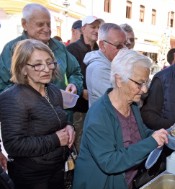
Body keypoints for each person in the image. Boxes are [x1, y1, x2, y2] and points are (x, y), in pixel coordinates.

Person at [69, 48, 168, 189]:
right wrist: (152, 141)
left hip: (126, 184)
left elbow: (140, 133)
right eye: (139, 83)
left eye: (146, 83)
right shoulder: (99, 115)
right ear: (118, 79)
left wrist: (159, 133)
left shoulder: (132, 105)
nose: (144, 90)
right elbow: (111, 162)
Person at [0, 39, 75, 189]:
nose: (46, 69)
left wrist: (69, 127)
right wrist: (54, 140)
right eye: (37, 64)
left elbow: (60, 119)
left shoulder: (52, 90)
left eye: (50, 62)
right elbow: (14, 145)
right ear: (23, 68)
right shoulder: (12, 98)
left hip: (55, 169)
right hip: (32, 176)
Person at [0, 3, 83, 97]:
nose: (47, 29)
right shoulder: (12, 49)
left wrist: (74, 85)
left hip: (60, 109)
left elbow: (75, 71)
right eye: (40, 24)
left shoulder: (59, 47)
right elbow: (3, 86)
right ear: (24, 24)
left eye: (49, 24)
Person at [67, 16, 104, 151]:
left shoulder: (99, 51)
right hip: (80, 108)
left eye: (98, 27)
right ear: (83, 29)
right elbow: (69, 74)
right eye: (93, 27)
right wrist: (81, 90)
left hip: (96, 107)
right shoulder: (72, 49)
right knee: (80, 144)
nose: (96, 30)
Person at [85, 23, 127, 107]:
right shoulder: (99, 69)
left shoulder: (113, 62)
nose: (124, 49)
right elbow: (120, 102)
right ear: (102, 45)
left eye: (125, 44)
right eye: (118, 46)